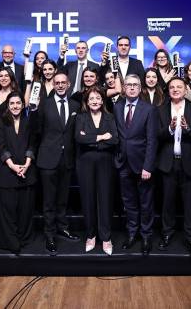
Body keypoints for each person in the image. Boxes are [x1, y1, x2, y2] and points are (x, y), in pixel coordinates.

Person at [156, 77, 191, 258]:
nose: (175, 89)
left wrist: (188, 129)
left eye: (179, 86)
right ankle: (167, 234)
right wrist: (170, 129)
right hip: (168, 164)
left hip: (190, 164)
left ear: (186, 90)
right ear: (168, 90)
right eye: (172, 87)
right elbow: (155, 136)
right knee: (167, 203)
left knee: (190, 204)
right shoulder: (160, 110)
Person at [35, 72, 81, 255]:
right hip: (48, 158)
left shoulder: (75, 105)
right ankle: (49, 234)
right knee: (49, 200)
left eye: (63, 82)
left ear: (68, 84)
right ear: (53, 85)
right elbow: (37, 131)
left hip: (67, 159)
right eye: (57, 83)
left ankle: (62, 227)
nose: (60, 85)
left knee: (63, 198)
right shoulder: (44, 104)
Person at [114, 74, 159, 256]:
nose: (132, 88)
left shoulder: (149, 109)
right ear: (124, 88)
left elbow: (152, 140)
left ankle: (146, 236)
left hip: (142, 165)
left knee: (146, 203)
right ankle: (132, 233)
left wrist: (148, 166)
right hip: (123, 164)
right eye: (129, 85)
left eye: (135, 85)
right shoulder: (117, 107)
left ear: (140, 89)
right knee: (129, 202)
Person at [75, 86, 119, 255]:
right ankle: (91, 235)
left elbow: (114, 139)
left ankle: (106, 238)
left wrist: (90, 140)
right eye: (91, 99)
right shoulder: (81, 117)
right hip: (85, 164)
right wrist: (101, 137)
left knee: (105, 199)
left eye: (97, 98)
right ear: (87, 102)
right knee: (88, 199)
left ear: (102, 101)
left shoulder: (110, 117)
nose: (94, 101)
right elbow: (79, 138)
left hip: (105, 163)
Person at [0, 92, 37, 255]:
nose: (15, 106)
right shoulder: (0, 123)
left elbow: (33, 144)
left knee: (25, 210)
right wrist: (13, 166)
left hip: (27, 171)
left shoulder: (29, 122)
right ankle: (11, 241)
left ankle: (23, 238)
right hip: (6, 173)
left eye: (18, 103)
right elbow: (0, 147)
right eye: (12, 103)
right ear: (7, 105)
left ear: (23, 105)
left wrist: (27, 164)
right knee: (8, 210)